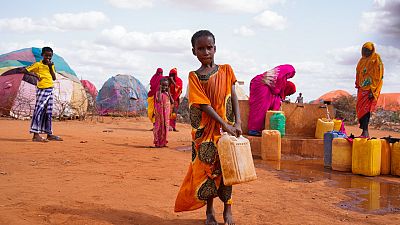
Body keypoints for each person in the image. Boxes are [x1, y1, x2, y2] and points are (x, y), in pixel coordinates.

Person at [174, 30, 241, 225]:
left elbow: (233, 96)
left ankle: (228, 209)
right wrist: (224, 125)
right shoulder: (194, 76)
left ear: (215, 48)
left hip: (227, 129)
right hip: (206, 132)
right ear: (194, 51)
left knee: (228, 168)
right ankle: (209, 211)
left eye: (209, 47)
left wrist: (238, 122)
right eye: (200, 48)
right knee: (208, 169)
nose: (205, 52)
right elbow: (203, 104)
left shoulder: (227, 70)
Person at [19, 47, 63, 142]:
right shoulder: (37, 65)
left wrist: (51, 67)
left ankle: (49, 134)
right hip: (42, 89)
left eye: (50, 56)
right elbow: (24, 70)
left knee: (48, 112)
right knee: (38, 110)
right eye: (46, 55)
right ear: (42, 55)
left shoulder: (51, 65)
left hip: (50, 89)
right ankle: (35, 135)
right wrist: (35, 75)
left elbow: (54, 78)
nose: (48, 58)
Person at [247, 65, 296, 136]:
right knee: (260, 107)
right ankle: (254, 129)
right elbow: (276, 90)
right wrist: (279, 98)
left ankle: (255, 129)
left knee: (261, 107)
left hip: (258, 83)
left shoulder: (278, 75)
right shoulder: (279, 77)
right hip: (260, 85)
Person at [355, 42, 384, 137]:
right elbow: (358, 73)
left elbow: (378, 76)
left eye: (367, 50)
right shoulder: (361, 60)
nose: (365, 52)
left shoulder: (376, 59)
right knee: (360, 109)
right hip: (362, 89)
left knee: (366, 110)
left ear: (372, 50)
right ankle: (363, 131)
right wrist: (358, 84)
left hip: (370, 90)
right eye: (363, 50)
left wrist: (373, 90)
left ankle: (365, 131)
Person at [153, 77, 174, 148]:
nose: (164, 87)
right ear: (160, 85)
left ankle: (164, 142)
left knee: (165, 127)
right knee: (159, 127)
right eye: (163, 85)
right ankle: (158, 142)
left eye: (166, 86)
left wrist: (169, 93)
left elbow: (172, 101)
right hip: (160, 114)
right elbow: (158, 100)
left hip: (166, 115)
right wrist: (159, 90)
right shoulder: (158, 93)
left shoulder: (167, 94)